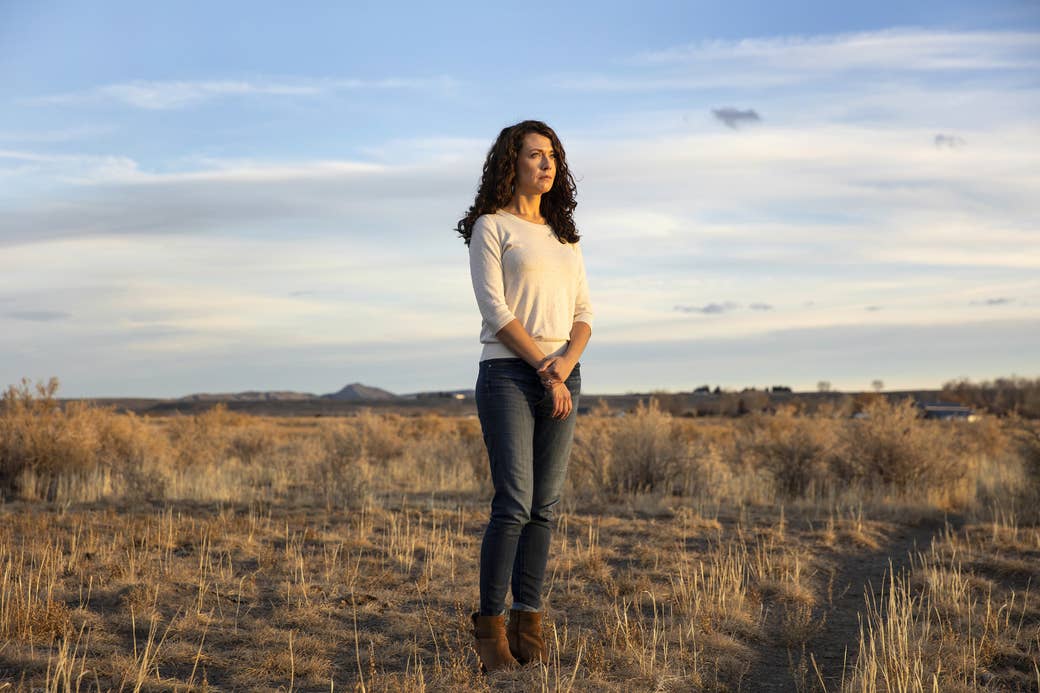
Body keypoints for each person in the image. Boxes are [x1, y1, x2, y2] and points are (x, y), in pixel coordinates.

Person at [456, 120, 593, 672]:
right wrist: (545, 368)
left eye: (553, 157)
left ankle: (527, 621)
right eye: (535, 155)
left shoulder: (566, 237)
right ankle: (490, 630)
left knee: (545, 508)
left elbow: (584, 317)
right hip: (510, 374)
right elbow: (496, 311)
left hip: (562, 375)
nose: (547, 165)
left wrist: (563, 368)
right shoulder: (492, 226)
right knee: (514, 504)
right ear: (510, 162)